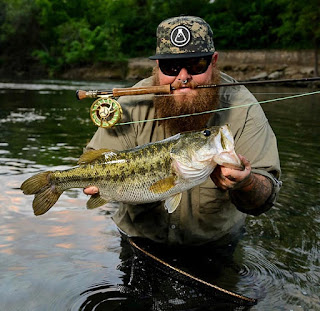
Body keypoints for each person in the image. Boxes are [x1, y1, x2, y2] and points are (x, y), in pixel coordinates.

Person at [83, 16, 281, 246]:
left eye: (196, 64)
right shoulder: (131, 103)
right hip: (140, 240)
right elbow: (94, 161)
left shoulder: (242, 107)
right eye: (171, 67)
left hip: (215, 244)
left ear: (213, 61)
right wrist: (91, 183)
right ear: (157, 67)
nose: (183, 77)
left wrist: (246, 184)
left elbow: (266, 195)